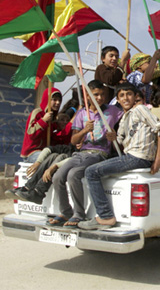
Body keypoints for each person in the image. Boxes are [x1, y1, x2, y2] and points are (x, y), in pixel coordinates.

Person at [79, 82, 160, 230]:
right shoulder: (125, 118)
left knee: (91, 172)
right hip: (130, 156)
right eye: (122, 96)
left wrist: (158, 159)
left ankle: (105, 216)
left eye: (129, 94)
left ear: (135, 97)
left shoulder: (140, 109)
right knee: (95, 169)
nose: (126, 98)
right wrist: (112, 138)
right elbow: (119, 143)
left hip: (139, 156)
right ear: (118, 100)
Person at [38, 80, 122, 227]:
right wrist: (85, 130)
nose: (100, 98)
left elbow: (126, 116)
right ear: (88, 96)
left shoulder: (112, 111)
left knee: (74, 174)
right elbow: (73, 140)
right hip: (81, 153)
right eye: (95, 95)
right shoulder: (82, 114)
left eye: (102, 95)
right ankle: (66, 212)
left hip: (99, 154)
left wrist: (115, 135)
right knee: (57, 176)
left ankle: (79, 214)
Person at [6, 111, 75, 199]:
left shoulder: (71, 138)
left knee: (57, 156)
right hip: (43, 157)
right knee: (52, 155)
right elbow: (50, 148)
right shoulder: (54, 134)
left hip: (61, 160)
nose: (65, 122)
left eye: (67, 120)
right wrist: (38, 162)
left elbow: (73, 156)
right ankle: (28, 187)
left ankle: (38, 191)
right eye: (62, 120)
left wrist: (53, 167)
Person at [20, 87, 63, 163]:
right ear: (47, 99)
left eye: (59, 100)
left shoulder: (54, 118)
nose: (58, 103)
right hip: (32, 153)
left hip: (46, 151)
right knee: (50, 159)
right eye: (54, 100)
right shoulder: (37, 113)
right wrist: (43, 121)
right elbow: (30, 133)